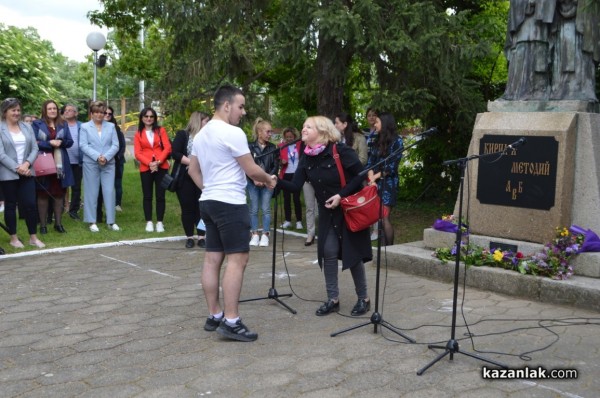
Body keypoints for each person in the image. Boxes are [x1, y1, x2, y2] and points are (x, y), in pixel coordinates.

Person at [188, 84, 277, 342]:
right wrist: (269, 179)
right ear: (226, 105)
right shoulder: (232, 132)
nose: (243, 111)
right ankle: (232, 321)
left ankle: (214, 314)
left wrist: (211, 189)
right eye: (240, 106)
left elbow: (193, 171)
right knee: (238, 260)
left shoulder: (202, 134)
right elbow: (251, 169)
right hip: (230, 203)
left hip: (209, 202)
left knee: (212, 260)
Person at [277, 116, 372, 317]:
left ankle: (364, 299)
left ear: (322, 131)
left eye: (308, 127)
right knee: (328, 252)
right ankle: (333, 299)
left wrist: (341, 195)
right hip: (328, 214)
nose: (303, 129)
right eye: (303, 126)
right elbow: (295, 186)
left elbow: (361, 174)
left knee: (352, 254)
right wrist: (273, 181)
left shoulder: (340, 151)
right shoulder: (306, 156)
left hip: (347, 210)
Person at [0, 98, 45, 248]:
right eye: (13, 110)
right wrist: (17, 167)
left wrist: (26, 164)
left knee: (30, 205)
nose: (17, 113)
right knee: (11, 205)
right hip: (8, 174)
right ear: (5, 112)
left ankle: (33, 237)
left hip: (27, 172)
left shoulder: (27, 127)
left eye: (18, 110)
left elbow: (35, 148)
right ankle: (13, 238)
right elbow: (1, 154)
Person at [32, 100, 74, 234]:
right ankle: (43, 225)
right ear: (45, 110)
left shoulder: (63, 124)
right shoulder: (36, 124)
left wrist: (60, 142)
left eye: (54, 108)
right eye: (49, 109)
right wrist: (49, 143)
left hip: (60, 163)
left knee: (59, 194)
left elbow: (70, 141)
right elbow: (34, 142)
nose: (52, 111)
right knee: (43, 194)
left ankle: (58, 224)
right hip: (44, 162)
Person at [79, 101, 120, 232]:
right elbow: (83, 145)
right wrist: (97, 156)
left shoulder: (111, 126)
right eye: (96, 112)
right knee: (91, 191)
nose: (99, 115)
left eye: (101, 112)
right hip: (91, 163)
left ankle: (111, 221)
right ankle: (92, 221)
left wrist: (106, 157)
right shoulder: (85, 127)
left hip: (108, 163)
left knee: (109, 191)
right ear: (91, 113)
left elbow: (116, 145)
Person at [171, 111, 209, 248]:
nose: (208, 124)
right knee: (187, 208)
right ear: (198, 121)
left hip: (203, 177)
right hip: (184, 178)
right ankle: (189, 236)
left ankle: (201, 236)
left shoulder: (208, 138)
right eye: (206, 121)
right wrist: (192, 163)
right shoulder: (183, 135)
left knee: (201, 208)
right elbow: (175, 153)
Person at [365, 112, 404, 246]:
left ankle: (389, 249)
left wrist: (375, 177)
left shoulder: (397, 141)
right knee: (379, 218)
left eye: (377, 122)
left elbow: (392, 167)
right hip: (375, 183)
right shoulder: (377, 141)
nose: (374, 124)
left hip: (388, 183)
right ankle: (382, 252)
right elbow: (370, 162)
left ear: (385, 123)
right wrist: (371, 176)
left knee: (384, 217)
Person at [133, 107, 172, 233]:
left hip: (161, 166)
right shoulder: (138, 133)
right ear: (142, 118)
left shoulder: (161, 130)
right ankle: (149, 221)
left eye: (151, 116)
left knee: (160, 195)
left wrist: (158, 162)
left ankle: (160, 222)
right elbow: (137, 153)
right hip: (146, 167)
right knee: (147, 196)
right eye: (146, 116)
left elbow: (167, 148)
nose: (149, 119)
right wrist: (150, 163)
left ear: (154, 118)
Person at [247, 117, 278, 247]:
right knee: (253, 209)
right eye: (268, 132)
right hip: (252, 182)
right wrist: (254, 179)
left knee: (266, 209)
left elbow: (276, 166)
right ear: (259, 132)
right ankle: (254, 233)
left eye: (271, 132)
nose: (270, 134)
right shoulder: (250, 147)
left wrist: (267, 179)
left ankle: (265, 234)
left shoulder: (273, 147)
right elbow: (246, 165)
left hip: (268, 182)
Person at [96, 106, 126, 221]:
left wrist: (115, 157)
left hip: (117, 161)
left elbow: (121, 146)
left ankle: (117, 204)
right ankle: (100, 208)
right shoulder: (96, 128)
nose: (107, 115)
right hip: (100, 161)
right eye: (105, 113)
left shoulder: (116, 129)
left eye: (110, 113)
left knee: (117, 183)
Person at [278, 127, 303, 230]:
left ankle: (299, 221)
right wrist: (281, 162)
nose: (289, 139)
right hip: (286, 174)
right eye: (287, 137)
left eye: (291, 137)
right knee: (286, 198)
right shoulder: (280, 146)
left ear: (294, 136)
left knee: (296, 198)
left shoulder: (300, 144)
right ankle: (288, 220)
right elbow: (277, 161)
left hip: (296, 174)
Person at [63, 104, 83, 220]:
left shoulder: (82, 126)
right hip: (63, 161)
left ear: (76, 113)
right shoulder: (60, 125)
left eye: (71, 110)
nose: (67, 112)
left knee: (76, 187)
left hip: (78, 161)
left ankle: (73, 211)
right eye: (66, 110)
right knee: (62, 187)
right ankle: (60, 208)